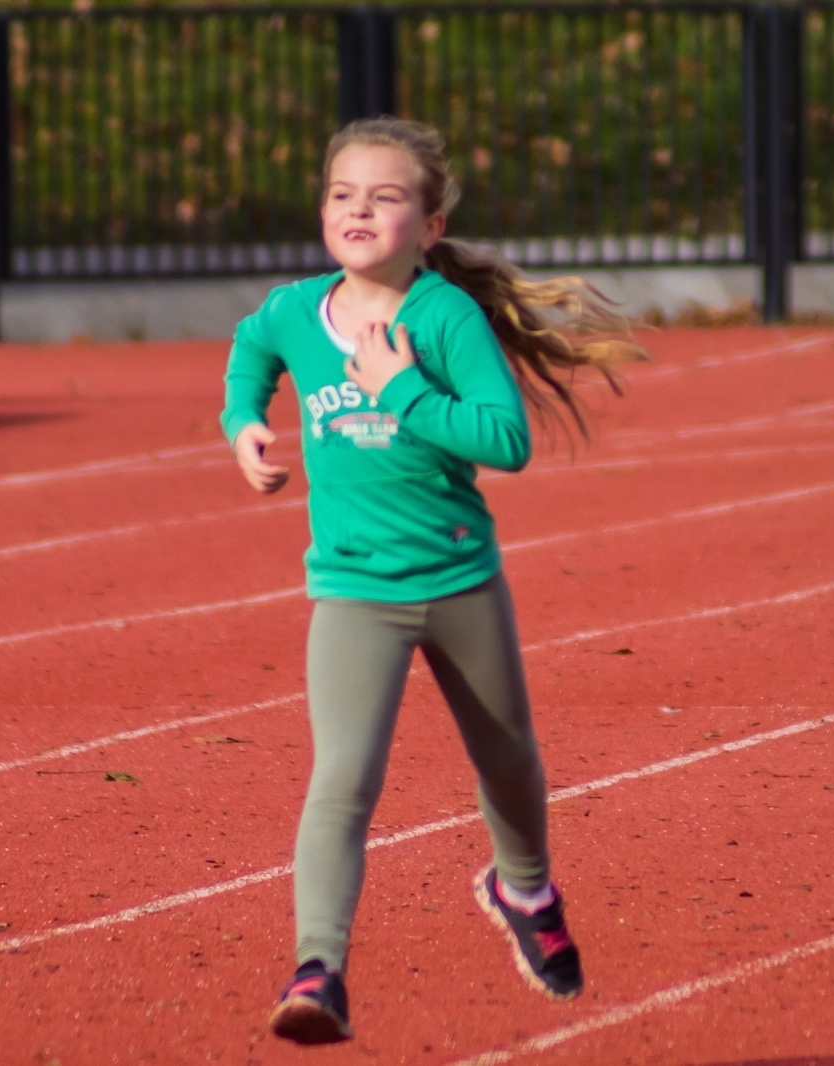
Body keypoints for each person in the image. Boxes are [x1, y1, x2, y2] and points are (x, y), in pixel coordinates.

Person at [221, 117, 643, 1043]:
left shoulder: (442, 318)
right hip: (354, 591)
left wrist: (398, 388)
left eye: (386, 195)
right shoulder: (297, 311)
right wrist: (244, 422)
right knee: (342, 780)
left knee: (508, 759)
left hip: (458, 581)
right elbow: (252, 351)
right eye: (343, 194)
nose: (359, 209)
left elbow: (508, 442)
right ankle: (317, 970)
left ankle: (522, 886)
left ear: (431, 223)